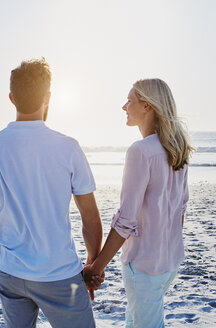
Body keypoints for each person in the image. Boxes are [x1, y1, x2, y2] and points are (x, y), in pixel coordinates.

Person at [0, 58, 103, 328]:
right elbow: (90, 218)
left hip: (11, 274)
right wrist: (92, 264)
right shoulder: (68, 148)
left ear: (11, 97)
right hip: (59, 274)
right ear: (48, 97)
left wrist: (0, 266)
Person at [84, 78, 194, 327]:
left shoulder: (141, 151)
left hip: (144, 266)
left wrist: (97, 267)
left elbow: (127, 220)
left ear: (147, 107)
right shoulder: (179, 148)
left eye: (130, 101)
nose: (124, 107)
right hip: (170, 262)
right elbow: (181, 209)